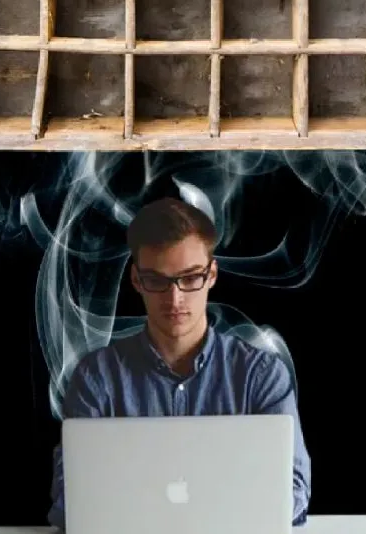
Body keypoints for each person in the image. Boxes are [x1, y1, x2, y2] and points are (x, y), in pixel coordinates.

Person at [47, 197, 311, 529]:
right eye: (157, 281)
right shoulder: (96, 378)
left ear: (211, 274)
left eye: (190, 278)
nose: (175, 299)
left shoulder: (261, 377)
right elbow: (70, 499)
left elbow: (293, 492)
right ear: (136, 280)